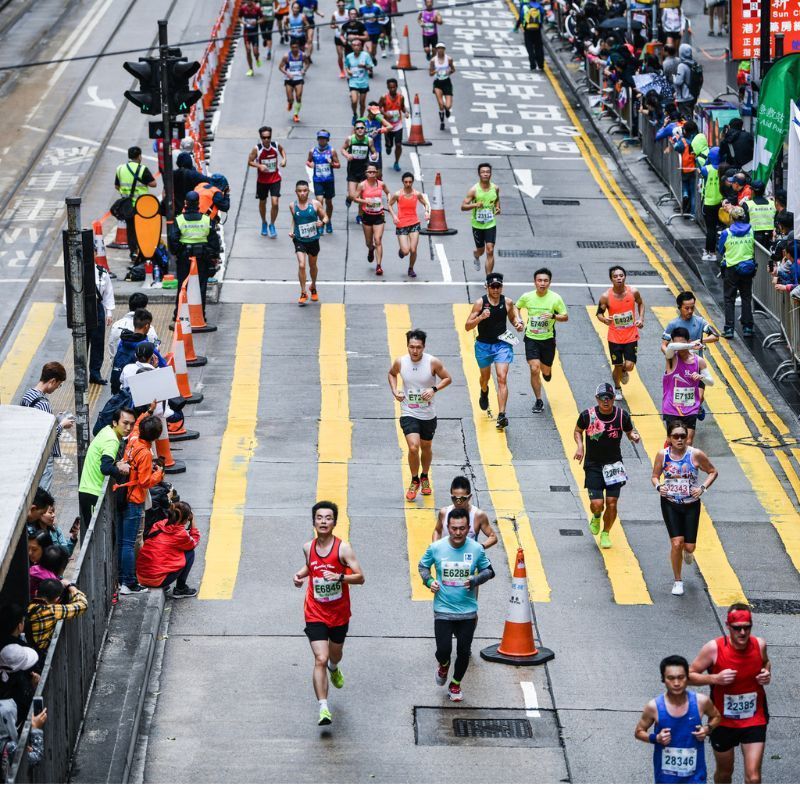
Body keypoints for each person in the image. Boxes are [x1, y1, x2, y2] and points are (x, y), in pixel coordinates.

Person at [293, 501, 365, 726]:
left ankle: (335, 668)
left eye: (328, 518)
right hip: (314, 611)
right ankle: (323, 707)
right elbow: (310, 566)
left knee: (334, 655)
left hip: (339, 613)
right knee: (320, 658)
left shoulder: (343, 549)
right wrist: (300, 575)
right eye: (319, 518)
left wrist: (340, 577)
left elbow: (360, 577)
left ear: (334, 522)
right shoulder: (308, 547)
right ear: (314, 521)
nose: (323, 521)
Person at [419, 507, 495, 702]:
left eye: (462, 528)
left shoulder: (476, 549)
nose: (458, 532)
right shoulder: (436, 547)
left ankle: (455, 683)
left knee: (463, 652)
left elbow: (489, 571)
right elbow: (423, 566)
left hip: (467, 612)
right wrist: (429, 582)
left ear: (469, 527)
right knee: (443, 650)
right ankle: (443, 665)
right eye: (454, 528)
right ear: (448, 527)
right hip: (443, 610)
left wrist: (475, 579)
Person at [690, 604, 771, 783]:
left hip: (754, 718)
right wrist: (715, 679)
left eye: (747, 627)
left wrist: (766, 673)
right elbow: (687, 676)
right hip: (723, 721)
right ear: (728, 626)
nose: (742, 632)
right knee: (725, 773)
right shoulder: (714, 648)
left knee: (754, 777)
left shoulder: (759, 644)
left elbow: (765, 662)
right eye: (737, 628)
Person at [652, 420, 718, 595]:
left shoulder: (695, 454)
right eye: (676, 436)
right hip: (670, 503)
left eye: (683, 436)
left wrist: (702, 488)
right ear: (669, 438)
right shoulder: (662, 455)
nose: (680, 439)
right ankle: (677, 580)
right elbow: (655, 476)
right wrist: (660, 487)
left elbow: (713, 471)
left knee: (688, 547)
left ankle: (688, 552)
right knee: (676, 542)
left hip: (691, 505)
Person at [635, 654, 720, 784]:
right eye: (671, 678)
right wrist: (656, 738)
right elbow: (639, 732)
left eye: (681, 677)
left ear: (687, 678)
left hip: (695, 777)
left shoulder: (701, 701)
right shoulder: (654, 706)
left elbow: (716, 717)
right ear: (663, 679)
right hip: (666, 778)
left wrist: (707, 729)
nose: (676, 683)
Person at [574, 382, 641, 550]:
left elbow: (629, 431)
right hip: (593, 465)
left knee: (612, 503)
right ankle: (596, 516)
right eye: (602, 398)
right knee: (597, 503)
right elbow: (577, 430)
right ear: (597, 399)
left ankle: (606, 533)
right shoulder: (587, 416)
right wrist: (580, 446)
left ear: (613, 399)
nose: (606, 401)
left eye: (609, 398)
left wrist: (634, 436)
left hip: (614, 466)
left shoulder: (621, 415)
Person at [388, 329, 452, 501]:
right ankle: (414, 479)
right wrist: (395, 391)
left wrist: (433, 389)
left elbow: (447, 378)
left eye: (418, 347)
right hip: (409, 410)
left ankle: (424, 476)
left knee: (426, 447)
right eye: (411, 347)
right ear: (407, 346)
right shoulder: (400, 362)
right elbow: (392, 374)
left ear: (424, 347)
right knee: (413, 447)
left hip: (428, 413)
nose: (414, 351)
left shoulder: (433, 362)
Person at [464, 272, 523, 429]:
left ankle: (502, 415)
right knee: (485, 377)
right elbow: (467, 326)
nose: (496, 290)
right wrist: (481, 317)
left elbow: (513, 317)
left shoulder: (508, 302)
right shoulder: (479, 303)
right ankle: (484, 391)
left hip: (502, 344)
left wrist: (517, 324)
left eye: (499, 286)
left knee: (502, 378)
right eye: (493, 286)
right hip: (483, 345)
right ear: (487, 287)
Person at [116, 414, 164, 595]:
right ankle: (129, 582)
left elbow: (136, 426)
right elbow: (144, 481)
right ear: (156, 436)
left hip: (124, 496)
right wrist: (158, 474)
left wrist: (146, 413)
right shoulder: (145, 453)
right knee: (129, 543)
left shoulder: (134, 442)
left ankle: (122, 579)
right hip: (134, 500)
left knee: (122, 542)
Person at [515, 268, 568, 414]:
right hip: (531, 338)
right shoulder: (527, 296)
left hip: (548, 339)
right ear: (535, 282)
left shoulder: (555, 298)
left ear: (549, 282)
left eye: (545, 281)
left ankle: (548, 372)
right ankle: (538, 400)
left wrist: (553, 316)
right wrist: (518, 319)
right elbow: (516, 307)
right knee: (534, 368)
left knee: (545, 370)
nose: (542, 283)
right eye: (539, 280)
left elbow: (565, 316)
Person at [19, 362, 73, 491]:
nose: (56, 389)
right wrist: (62, 424)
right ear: (52, 381)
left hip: (29, 451)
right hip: (42, 455)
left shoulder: (27, 395)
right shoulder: (43, 404)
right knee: (43, 492)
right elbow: (48, 436)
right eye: (58, 385)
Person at [168, 190, 221, 320]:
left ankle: (179, 314)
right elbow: (214, 241)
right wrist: (212, 256)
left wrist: (180, 252)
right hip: (202, 259)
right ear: (198, 203)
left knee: (182, 286)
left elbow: (173, 240)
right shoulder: (206, 220)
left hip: (185, 259)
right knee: (201, 287)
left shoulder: (179, 220)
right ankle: (199, 315)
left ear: (185, 203)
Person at [78, 407, 134, 528]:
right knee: (98, 535)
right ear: (114, 422)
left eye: (131, 424)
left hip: (90, 491)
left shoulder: (107, 430)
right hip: (92, 493)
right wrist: (120, 469)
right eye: (125, 423)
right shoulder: (112, 440)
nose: (128, 428)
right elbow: (105, 468)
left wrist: (116, 463)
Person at [595, 266, 645, 400]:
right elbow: (599, 313)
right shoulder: (606, 296)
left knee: (629, 366)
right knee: (617, 365)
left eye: (621, 275)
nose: (619, 278)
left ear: (625, 277)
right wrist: (605, 320)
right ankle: (617, 388)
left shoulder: (633, 292)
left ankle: (622, 371)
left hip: (631, 335)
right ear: (611, 279)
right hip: (614, 337)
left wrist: (640, 318)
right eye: (615, 276)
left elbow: (641, 304)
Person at [662, 326, 713, 446]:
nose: (681, 347)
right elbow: (670, 347)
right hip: (672, 408)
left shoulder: (699, 361)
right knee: (672, 441)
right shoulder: (671, 357)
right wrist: (691, 346)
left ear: (689, 341)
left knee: (688, 441)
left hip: (691, 408)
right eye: (678, 343)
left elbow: (711, 381)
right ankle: (668, 462)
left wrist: (702, 377)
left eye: (684, 343)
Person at [137, 501, 200, 598]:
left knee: (168, 551)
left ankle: (165, 580)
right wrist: (193, 523)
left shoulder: (158, 525)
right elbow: (193, 542)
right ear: (186, 518)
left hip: (141, 577)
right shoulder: (180, 534)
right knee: (189, 552)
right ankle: (180, 588)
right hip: (157, 580)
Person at [717, 205, 756, 338]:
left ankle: (729, 329)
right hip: (747, 268)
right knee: (746, 297)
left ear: (731, 218)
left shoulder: (726, 233)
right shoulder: (751, 231)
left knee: (729, 299)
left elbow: (721, 250)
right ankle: (747, 328)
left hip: (731, 269)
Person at [114, 146, 157, 264]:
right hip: (141, 206)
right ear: (139, 156)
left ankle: (133, 253)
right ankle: (144, 251)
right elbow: (154, 184)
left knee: (131, 230)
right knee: (143, 229)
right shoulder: (142, 169)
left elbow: (117, 186)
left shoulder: (120, 169)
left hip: (127, 206)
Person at [110, 308, 166, 394]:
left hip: (120, 391)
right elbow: (164, 368)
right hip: (139, 394)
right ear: (147, 326)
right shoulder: (148, 348)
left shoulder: (123, 342)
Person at [432, 476, 498, 548]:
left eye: (462, 499)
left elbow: (493, 537)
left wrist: (479, 548)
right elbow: (437, 531)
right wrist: (435, 547)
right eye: (454, 498)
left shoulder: (478, 515)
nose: (458, 503)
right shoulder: (444, 513)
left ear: (469, 497)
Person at [289, 180, 326, 305]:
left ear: (308, 191)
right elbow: (295, 220)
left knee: (312, 266)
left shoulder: (315, 204)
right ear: (296, 192)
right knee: (301, 265)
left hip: (313, 239)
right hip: (299, 239)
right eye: (300, 191)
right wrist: (291, 231)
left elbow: (325, 216)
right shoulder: (292, 206)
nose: (302, 193)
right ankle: (303, 292)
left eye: (305, 191)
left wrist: (322, 222)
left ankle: (313, 286)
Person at [27, 579, 88, 655]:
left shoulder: (28, 607)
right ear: (57, 599)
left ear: (36, 592)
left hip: (26, 654)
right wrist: (71, 587)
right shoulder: (51, 610)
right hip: (39, 656)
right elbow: (82, 605)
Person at [388, 172, 430, 278]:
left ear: (412, 182)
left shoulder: (416, 194)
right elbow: (389, 205)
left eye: (410, 182)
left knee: (413, 249)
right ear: (403, 182)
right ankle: (402, 250)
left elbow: (426, 204)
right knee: (406, 251)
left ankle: (411, 268)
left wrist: (426, 212)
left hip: (414, 223)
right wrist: (394, 216)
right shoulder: (398, 194)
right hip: (401, 224)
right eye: (406, 182)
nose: (408, 184)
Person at [352, 163, 391, 275]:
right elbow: (354, 198)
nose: (372, 174)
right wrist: (365, 201)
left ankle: (378, 266)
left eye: (374, 172)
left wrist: (389, 200)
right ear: (366, 173)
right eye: (370, 172)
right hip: (367, 215)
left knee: (378, 240)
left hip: (379, 215)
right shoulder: (362, 185)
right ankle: (370, 249)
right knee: (369, 242)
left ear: (376, 173)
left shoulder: (381, 184)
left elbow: (388, 193)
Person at [462, 163, 500, 273]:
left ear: (490, 174)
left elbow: (497, 199)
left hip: (490, 224)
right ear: (479, 174)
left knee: (490, 250)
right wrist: (475, 205)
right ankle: (476, 255)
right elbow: (463, 207)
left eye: (487, 172)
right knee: (481, 250)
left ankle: (488, 278)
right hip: (477, 225)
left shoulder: (495, 188)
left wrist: (497, 208)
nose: (485, 174)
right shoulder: (474, 190)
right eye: (483, 172)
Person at [249, 126, 286, 238]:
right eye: (264, 137)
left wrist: (284, 159)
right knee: (262, 202)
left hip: (275, 179)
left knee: (275, 202)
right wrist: (259, 165)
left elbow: (282, 150)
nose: (266, 139)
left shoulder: (275, 145)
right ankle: (264, 222)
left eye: (268, 137)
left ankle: (272, 224)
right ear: (261, 137)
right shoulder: (257, 149)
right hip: (262, 181)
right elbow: (250, 161)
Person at [107, 292, 161, 360]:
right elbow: (156, 347)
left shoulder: (116, 325)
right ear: (144, 308)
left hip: (118, 366)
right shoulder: (148, 328)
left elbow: (111, 346)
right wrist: (158, 342)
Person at [86, 261, 115, 385]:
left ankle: (95, 373)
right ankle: (81, 372)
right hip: (80, 307)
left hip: (97, 308)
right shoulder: (75, 271)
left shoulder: (102, 272)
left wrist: (109, 313)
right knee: (81, 341)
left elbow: (108, 292)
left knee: (98, 342)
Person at [342, 119, 377, 221]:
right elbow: (342, 149)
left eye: (362, 128)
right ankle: (349, 198)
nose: (360, 130)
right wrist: (347, 155)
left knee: (362, 195)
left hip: (364, 171)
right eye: (358, 128)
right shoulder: (350, 139)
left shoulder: (369, 140)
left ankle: (360, 215)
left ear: (365, 129)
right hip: (352, 171)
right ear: (355, 130)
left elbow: (374, 152)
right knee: (353, 196)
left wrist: (374, 155)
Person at [306, 130, 340, 234]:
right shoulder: (313, 151)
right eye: (320, 138)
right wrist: (310, 164)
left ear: (327, 140)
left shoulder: (332, 151)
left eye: (324, 139)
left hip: (329, 181)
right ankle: (321, 223)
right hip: (318, 180)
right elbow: (308, 161)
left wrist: (332, 164)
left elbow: (338, 165)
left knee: (329, 203)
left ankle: (328, 221)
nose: (322, 141)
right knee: (319, 201)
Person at [699, 146, 723, 260]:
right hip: (721, 203)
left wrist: (708, 161)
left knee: (710, 229)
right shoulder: (724, 169)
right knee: (719, 227)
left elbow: (702, 169)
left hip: (709, 203)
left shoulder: (706, 169)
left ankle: (711, 252)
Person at [380, 79, 408, 172]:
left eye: (394, 87)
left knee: (399, 144)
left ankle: (396, 162)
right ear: (388, 87)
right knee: (389, 145)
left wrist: (406, 112)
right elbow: (378, 108)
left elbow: (402, 107)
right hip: (387, 125)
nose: (392, 89)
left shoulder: (401, 97)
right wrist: (385, 113)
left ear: (396, 87)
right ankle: (388, 146)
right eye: (390, 87)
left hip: (397, 125)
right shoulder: (383, 97)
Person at [344, 38, 374, 122]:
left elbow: (371, 68)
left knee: (362, 103)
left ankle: (361, 118)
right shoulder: (349, 56)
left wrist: (364, 66)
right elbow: (346, 65)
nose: (356, 47)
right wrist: (348, 71)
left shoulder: (365, 55)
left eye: (358, 45)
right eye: (354, 45)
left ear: (361, 46)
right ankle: (354, 114)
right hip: (353, 82)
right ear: (352, 47)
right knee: (354, 101)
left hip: (363, 83)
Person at [280, 38, 308, 123]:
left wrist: (304, 70)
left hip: (299, 78)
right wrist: (287, 73)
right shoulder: (286, 56)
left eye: (296, 47)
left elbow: (307, 63)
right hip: (289, 79)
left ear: (298, 47)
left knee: (298, 96)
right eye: (293, 47)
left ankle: (296, 114)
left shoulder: (302, 55)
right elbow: (280, 67)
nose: (295, 49)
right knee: (290, 99)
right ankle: (290, 103)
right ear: (290, 47)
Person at [741, 180, 776, 249]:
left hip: (754, 236)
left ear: (752, 191)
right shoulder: (772, 203)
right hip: (771, 236)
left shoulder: (747, 204)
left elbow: (745, 223)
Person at [429, 44, 455, 131]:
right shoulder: (433, 60)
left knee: (448, 106)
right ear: (436, 50)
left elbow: (453, 69)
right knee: (440, 104)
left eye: (442, 49)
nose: (440, 50)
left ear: (444, 49)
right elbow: (430, 73)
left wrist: (449, 72)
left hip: (447, 82)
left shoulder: (449, 59)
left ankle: (447, 110)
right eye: (438, 49)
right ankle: (442, 122)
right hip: (437, 83)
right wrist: (435, 71)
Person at [673, 44, 701, 117]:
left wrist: (674, 78)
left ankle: (690, 128)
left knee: (685, 118)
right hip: (693, 95)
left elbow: (678, 82)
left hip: (684, 97)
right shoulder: (694, 63)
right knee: (690, 115)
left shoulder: (681, 66)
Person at [363, 101, 390, 173]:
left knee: (378, 173)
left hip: (376, 149)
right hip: (364, 149)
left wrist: (382, 130)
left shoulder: (379, 119)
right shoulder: (362, 120)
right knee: (366, 172)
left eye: (376, 112)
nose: (375, 114)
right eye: (373, 112)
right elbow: (353, 135)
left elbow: (390, 126)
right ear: (368, 111)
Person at [241, 0, 264, 76]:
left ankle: (257, 58)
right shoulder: (243, 9)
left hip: (254, 33)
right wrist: (243, 22)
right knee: (248, 51)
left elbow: (263, 19)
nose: (248, 1)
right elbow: (238, 18)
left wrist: (256, 22)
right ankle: (251, 69)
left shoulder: (257, 9)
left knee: (255, 52)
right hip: (246, 33)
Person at [521, 0, 545, 71]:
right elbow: (542, 15)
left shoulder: (525, 7)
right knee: (539, 47)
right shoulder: (539, 7)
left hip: (527, 30)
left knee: (530, 47)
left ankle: (532, 65)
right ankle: (541, 64)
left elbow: (522, 17)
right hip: (537, 30)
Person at [331, 0, 351, 78]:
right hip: (338, 37)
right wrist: (336, 26)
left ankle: (348, 69)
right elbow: (331, 25)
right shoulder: (334, 14)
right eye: (340, 6)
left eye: (343, 5)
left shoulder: (348, 13)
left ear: (345, 5)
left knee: (348, 55)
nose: (341, 7)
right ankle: (342, 71)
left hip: (347, 37)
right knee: (340, 55)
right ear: (337, 6)